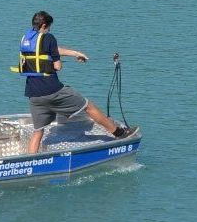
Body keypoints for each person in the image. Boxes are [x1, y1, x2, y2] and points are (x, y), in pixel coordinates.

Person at [18, 10, 136, 155]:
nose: (49, 30)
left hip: (33, 94)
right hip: (53, 90)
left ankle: (31, 160)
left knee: (38, 131)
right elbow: (57, 66)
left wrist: (75, 53)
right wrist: (57, 62)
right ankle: (120, 133)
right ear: (44, 25)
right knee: (88, 106)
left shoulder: (27, 39)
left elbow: (48, 51)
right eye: (49, 27)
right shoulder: (49, 38)